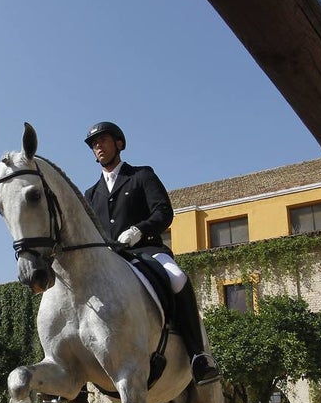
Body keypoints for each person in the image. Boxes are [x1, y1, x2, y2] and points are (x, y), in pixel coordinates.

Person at [83, 121, 219, 384]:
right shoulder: (91, 194)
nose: (98, 146)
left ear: (118, 144)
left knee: (177, 277)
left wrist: (138, 230)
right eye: (94, 144)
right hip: (111, 260)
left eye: (103, 141)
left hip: (147, 249)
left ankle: (198, 356)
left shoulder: (142, 175)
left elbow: (163, 212)